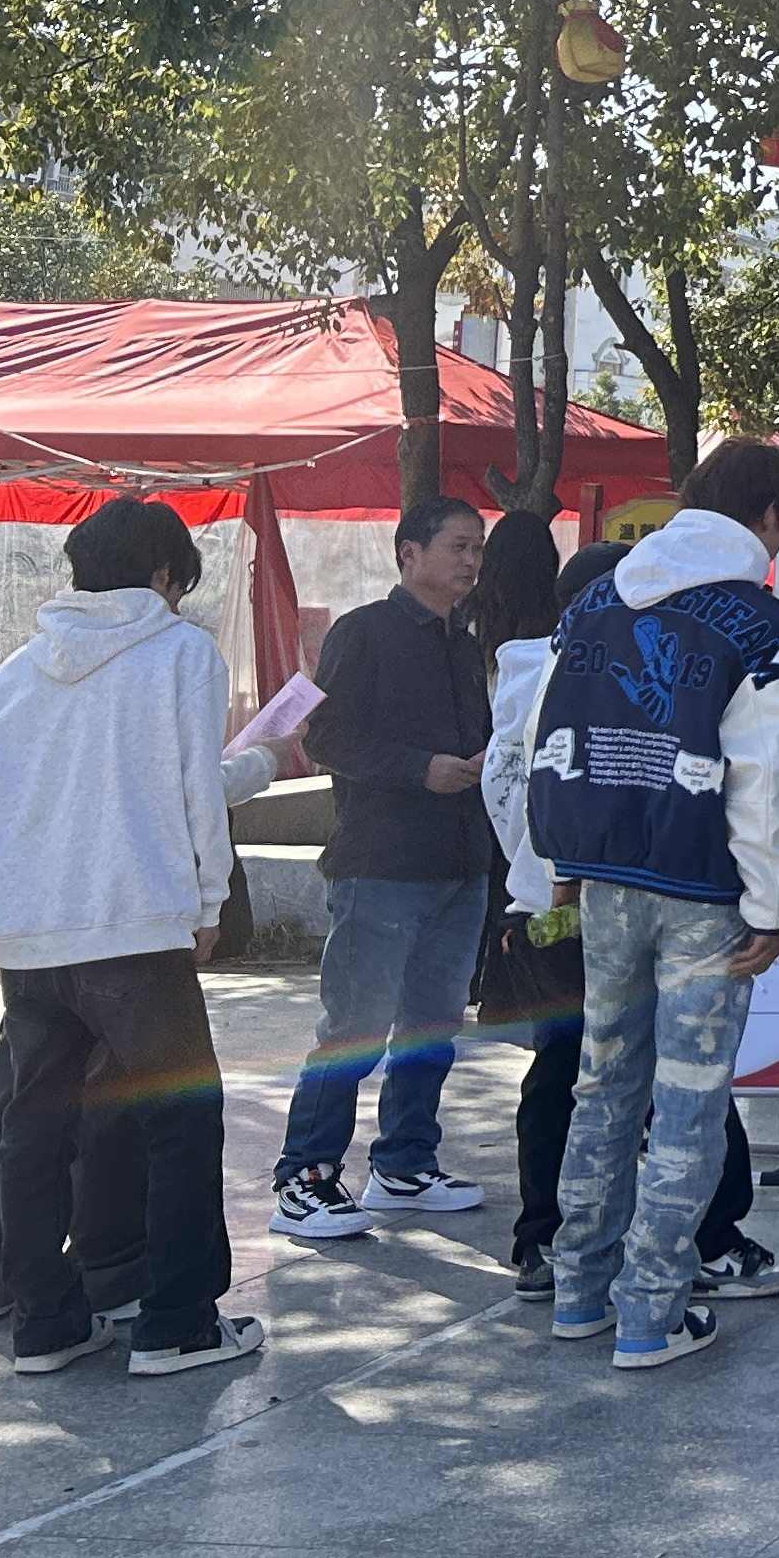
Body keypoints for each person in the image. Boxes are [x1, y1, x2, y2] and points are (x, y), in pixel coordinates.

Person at [0, 497, 265, 1376]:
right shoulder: (181, 653)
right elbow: (194, 787)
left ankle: (45, 1325)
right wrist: (209, 901)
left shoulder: (22, 669)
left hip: (31, 933)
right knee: (182, 1118)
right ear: (164, 573)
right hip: (134, 925)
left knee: (34, 1125)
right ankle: (177, 1323)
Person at [529, 438, 779, 1371]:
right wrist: (772, 905)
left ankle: (579, 1290)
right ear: (768, 518)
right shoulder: (758, 621)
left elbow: (546, 730)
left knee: (603, 1085)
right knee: (688, 1102)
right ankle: (651, 1310)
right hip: (704, 890)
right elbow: (764, 780)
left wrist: (554, 857)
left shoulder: (595, 601)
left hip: (603, 876)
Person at [481, 541, 779, 1308]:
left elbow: (508, 788)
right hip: (614, 902)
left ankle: (552, 1246)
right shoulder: (599, 669)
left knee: (572, 1078)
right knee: (680, 1076)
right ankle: (700, 1246)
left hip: (548, 906)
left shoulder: (529, 671)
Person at [272, 493, 497, 1237]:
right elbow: (325, 737)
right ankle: (305, 1177)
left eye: (478, 548)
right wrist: (418, 768)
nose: (471, 561)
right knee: (356, 1025)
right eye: (458, 546)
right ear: (410, 553)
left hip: (460, 862)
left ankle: (403, 1165)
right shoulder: (364, 632)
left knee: (432, 1024)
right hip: (382, 862)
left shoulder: (464, 645)